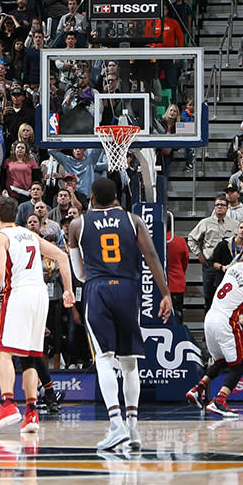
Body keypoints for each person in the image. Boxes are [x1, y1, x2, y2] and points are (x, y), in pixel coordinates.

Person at [66, 178, 172, 450]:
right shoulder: (134, 220)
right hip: (128, 289)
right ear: (116, 198)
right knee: (129, 362)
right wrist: (166, 294)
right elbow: (152, 256)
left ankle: (115, 424)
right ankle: (133, 428)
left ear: (91, 197)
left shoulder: (78, 224)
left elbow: (79, 274)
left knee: (103, 358)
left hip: (98, 289)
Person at [0, 196, 75, 434]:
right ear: (18, 215)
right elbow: (63, 257)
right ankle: (31, 413)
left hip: (19, 293)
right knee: (30, 356)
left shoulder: (0, 237)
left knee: (3, 350)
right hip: (41, 294)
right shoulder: (30, 234)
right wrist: (68, 290)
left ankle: (8, 404)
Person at [185, 244, 243, 419]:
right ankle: (219, 401)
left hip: (210, 318)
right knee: (237, 367)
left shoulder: (235, 266)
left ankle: (197, 389)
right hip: (226, 322)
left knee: (220, 361)